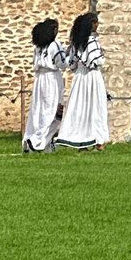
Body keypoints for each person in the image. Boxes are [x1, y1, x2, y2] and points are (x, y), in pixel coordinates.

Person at [56, 10, 109, 151]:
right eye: (96, 23)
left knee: (81, 107)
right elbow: (97, 60)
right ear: (92, 24)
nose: (97, 25)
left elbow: (71, 63)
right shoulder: (92, 42)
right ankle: (98, 141)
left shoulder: (76, 44)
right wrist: (103, 56)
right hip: (92, 76)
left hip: (79, 78)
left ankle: (83, 139)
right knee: (96, 107)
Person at [22, 18, 67, 154]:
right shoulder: (55, 45)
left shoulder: (38, 47)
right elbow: (62, 63)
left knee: (38, 111)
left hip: (39, 79)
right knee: (52, 112)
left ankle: (39, 141)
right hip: (51, 79)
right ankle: (36, 141)